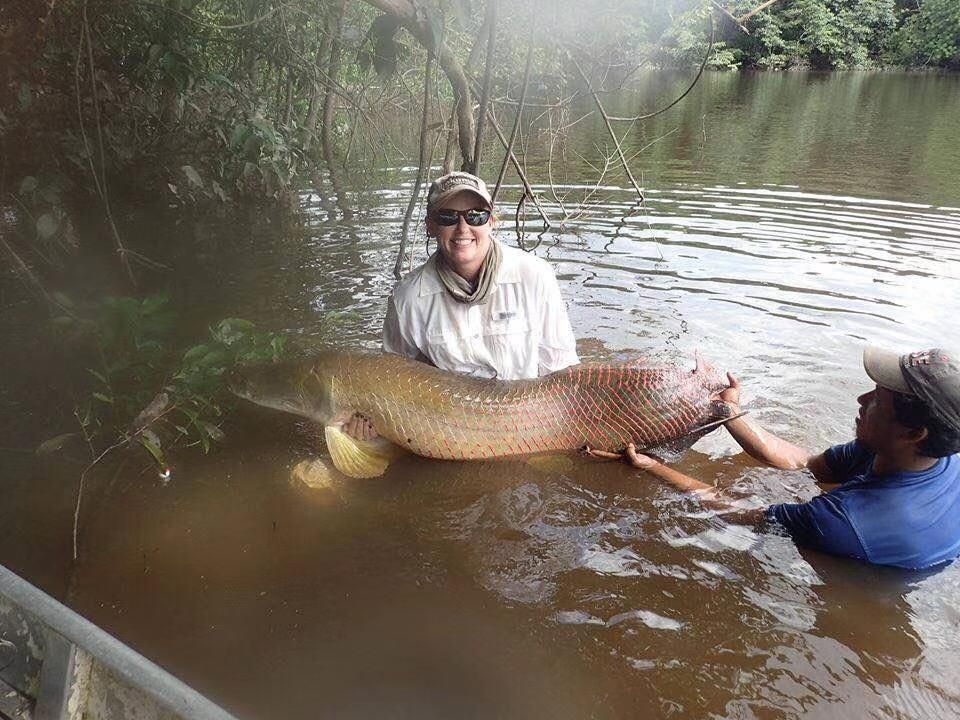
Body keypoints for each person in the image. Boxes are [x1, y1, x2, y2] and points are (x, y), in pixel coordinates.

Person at [619, 346, 960, 570]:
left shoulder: (842, 522)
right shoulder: (901, 450)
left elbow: (738, 513)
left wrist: (654, 466)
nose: (861, 398)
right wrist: (727, 411)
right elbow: (803, 463)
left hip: (881, 572)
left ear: (914, 433)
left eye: (877, 401)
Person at [344, 171, 579, 441]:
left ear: (492, 221)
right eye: (448, 217)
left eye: (475, 215)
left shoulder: (536, 276)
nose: (463, 228)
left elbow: (564, 374)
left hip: (530, 424)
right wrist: (372, 424)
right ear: (431, 226)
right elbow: (392, 387)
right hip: (450, 433)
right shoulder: (407, 298)